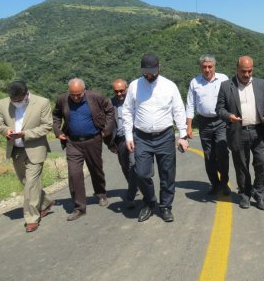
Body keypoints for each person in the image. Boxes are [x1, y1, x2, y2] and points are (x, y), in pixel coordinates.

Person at [123, 53, 189, 223]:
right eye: (146, 72)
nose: (149, 75)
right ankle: (150, 202)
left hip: (165, 136)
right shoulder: (134, 86)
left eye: (152, 71)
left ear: (159, 67)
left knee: (167, 174)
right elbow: (128, 111)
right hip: (142, 137)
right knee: (141, 172)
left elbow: (178, 111)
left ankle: (166, 206)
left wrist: (182, 135)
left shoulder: (169, 86)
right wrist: (129, 135)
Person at [216, 55, 264, 210]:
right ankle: (245, 194)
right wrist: (229, 116)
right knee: (241, 166)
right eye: (243, 71)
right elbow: (219, 109)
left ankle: (260, 194)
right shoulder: (226, 86)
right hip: (238, 132)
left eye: (249, 71)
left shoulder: (261, 84)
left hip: (258, 131)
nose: (247, 74)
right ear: (237, 69)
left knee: (262, 163)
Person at [0, 81, 55, 232]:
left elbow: (47, 126)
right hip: (16, 150)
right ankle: (46, 202)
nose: (15, 102)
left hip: (35, 149)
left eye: (18, 100)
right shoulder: (3, 104)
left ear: (26, 94)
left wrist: (25, 134)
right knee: (26, 182)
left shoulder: (42, 102)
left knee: (31, 184)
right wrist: (6, 132)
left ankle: (31, 218)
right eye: (13, 100)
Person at [53, 78, 115, 221]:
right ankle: (79, 207)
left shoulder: (96, 97)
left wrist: (105, 131)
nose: (75, 97)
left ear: (84, 90)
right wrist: (57, 131)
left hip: (93, 140)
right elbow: (56, 116)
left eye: (79, 94)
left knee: (96, 169)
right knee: (74, 174)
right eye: (73, 94)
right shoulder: (62, 100)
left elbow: (110, 111)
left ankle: (100, 193)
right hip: (72, 142)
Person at [186, 55, 231, 196]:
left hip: (221, 121)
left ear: (214, 67)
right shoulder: (195, 82)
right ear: (200, 67)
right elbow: (190, 104)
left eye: (210, 67)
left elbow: (231, 99)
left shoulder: (224, 79)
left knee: (222, 152)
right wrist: (188, 126)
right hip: (203, 122)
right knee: (209, 154)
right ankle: (215, 184)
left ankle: (224, 183)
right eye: (204, 67)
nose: (207, 69)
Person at [109, 79, 139, 209]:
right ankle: (133, 186)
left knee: (133, 164)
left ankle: (131, 194)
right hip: (120, 139)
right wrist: (110, 142)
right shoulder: (110, 103)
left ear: (127, 88)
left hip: (135, 136)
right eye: (116, 91)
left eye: (122, 91)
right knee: (124, 165)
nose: (119, 94)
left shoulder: (135, 100)